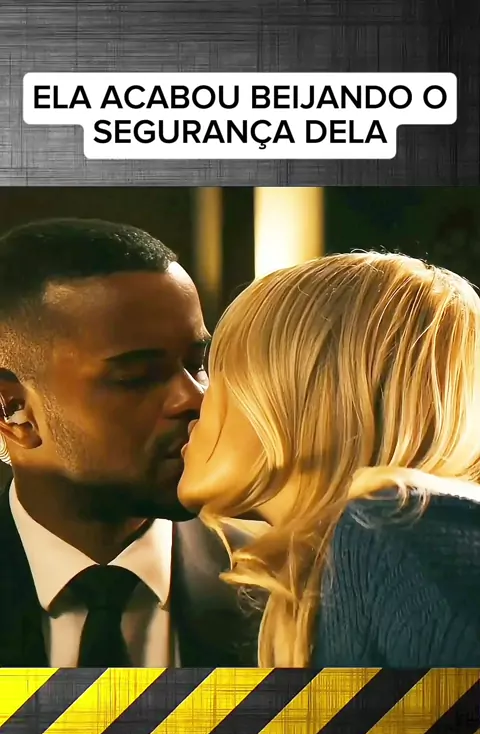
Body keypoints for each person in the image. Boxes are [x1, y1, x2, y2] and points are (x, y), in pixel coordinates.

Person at [178, 252, 480, 667]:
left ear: (302, 396)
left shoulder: (394, 531)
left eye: (218, 374)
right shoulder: (322, 578)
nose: (195, 402)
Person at [0, 217, 259, 667]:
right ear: (13, 412)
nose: (194, 399)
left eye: (197, 364)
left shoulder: (285, 583)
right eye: (136, 376)